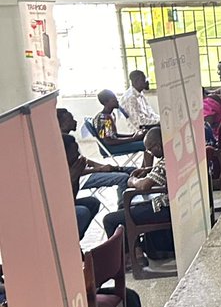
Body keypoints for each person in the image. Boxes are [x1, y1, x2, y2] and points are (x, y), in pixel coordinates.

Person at [103, 126, 173, 258]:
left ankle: (128, 258)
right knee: (125, 207)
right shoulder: (173, 153)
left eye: (150, 149)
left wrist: (132, 180)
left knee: (110, 219)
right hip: (171, 204)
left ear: (157, 146)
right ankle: (136, 250)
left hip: (163, 208)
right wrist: (149, 169)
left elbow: (144, 186)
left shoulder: (165, 161)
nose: (150, 153)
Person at [58, 108, 134, 200]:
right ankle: (124, 207)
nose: (75, 121)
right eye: (71, 119)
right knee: (123, 177)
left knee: (131, 170)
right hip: (84, 177)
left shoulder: (110, 116)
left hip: (90, 170)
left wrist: (102, 167)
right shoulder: (102, 118)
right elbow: (109, 141)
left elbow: (83, 160)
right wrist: (100, 169)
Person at [64, 134, 103, 240]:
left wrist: (75, 178)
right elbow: (64, 202)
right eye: (74, 153)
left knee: (93, 202)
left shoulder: (73, 166)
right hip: (56, 207)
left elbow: (72, 198)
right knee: (82, 212)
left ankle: (77, 239)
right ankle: (70, 241)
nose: (77, 155)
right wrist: (72, 178)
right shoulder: (57, 171)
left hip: (67, 202)